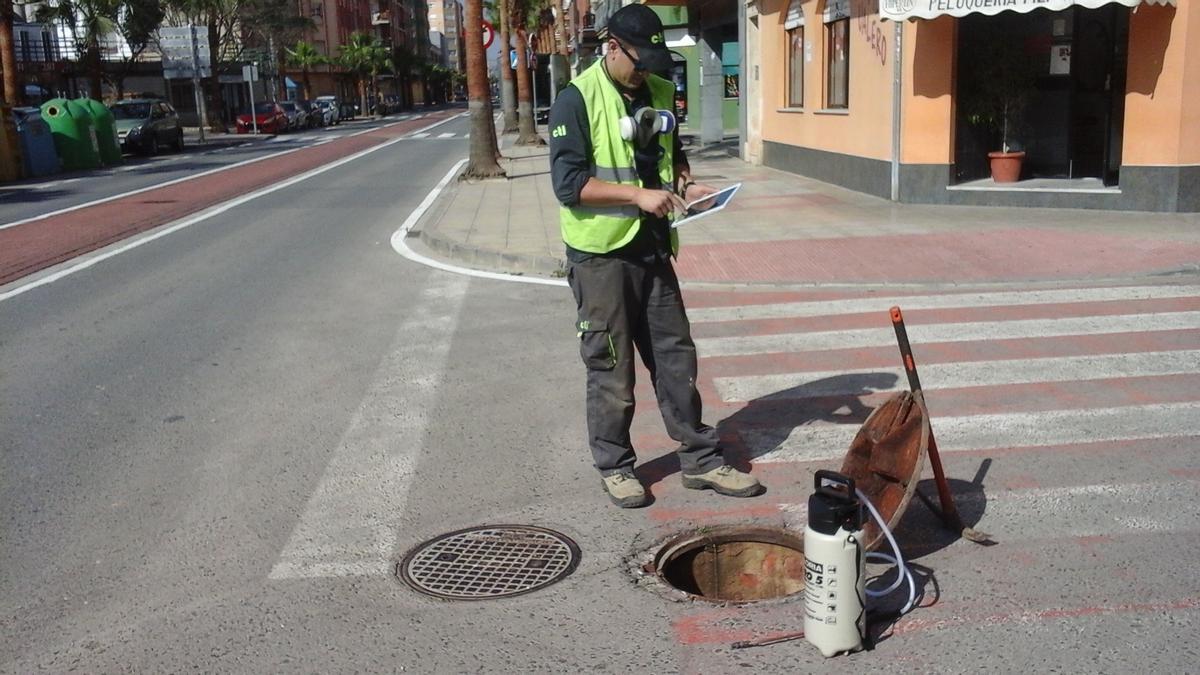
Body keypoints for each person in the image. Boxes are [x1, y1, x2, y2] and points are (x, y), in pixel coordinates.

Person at [548, 4, 764, 508]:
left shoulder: (661, 91)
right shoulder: (576, 100)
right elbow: (569, 184)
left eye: (651, 60)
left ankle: (702, 461)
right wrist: (638, 197)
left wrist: (689, 183)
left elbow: (670, 154)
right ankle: (616, 466)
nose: (644, 70)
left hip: (653, 249)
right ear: (612, 47)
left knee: (676, 361)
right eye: (637, 60)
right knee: (612, 368)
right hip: (601, 257)